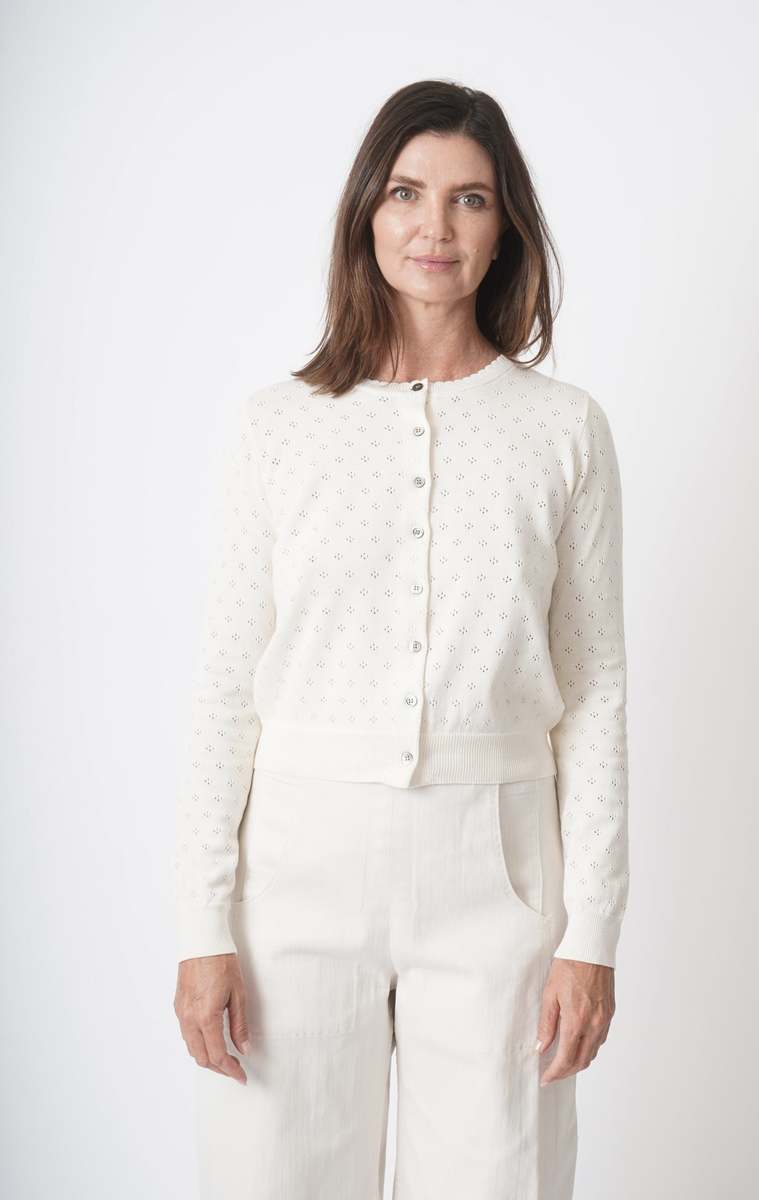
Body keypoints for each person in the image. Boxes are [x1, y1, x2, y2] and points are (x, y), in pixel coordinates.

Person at [172, 78, 629, 1200]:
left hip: (498, 876)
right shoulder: (279, 427)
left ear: (505, 226)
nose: (436, 227)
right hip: (296, 874)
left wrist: (592, 936)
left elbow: (595, 692)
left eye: (470, 199)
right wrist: (200, 922)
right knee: (276, 1179)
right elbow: (225, 684)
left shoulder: (561, 430)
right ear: (365, 215)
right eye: (406, 193)